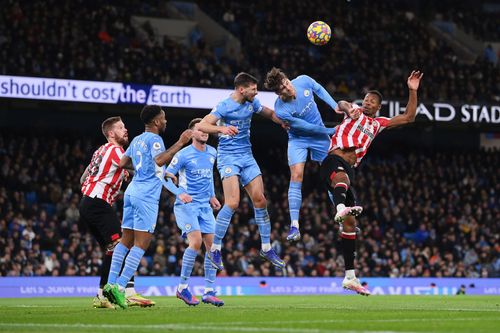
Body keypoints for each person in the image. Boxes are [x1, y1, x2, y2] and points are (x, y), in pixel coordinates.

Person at [320, 70, 424, 295]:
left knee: (349, 225)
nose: (367, 102)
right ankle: (340, 208)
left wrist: (412, 91)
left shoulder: (377, 124)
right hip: (333, 159)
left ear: (378, 108)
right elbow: (342, 103)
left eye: (372, 101)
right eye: (366, 99)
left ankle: (350, 277)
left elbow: (409, 117)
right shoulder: (353, 111)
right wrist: (349, 108)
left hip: (350, 167)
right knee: (342, 181)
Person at [103, 105, 192, 309]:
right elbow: (159, 160)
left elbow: (124, 162)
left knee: (125, 242)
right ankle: (121, 287)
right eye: (164, 118)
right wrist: (181, 141)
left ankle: (109, 284)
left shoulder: (136, 140)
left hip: (132, 192)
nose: (166, 121)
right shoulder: (155, 140)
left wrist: (147, 169)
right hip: (146, 197)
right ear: (156, 121)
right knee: (140, 245)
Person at [197, 72, 286, 271]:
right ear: (241, 89)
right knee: (233, 202)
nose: (256, 92)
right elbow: (203, 124)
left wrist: (282, 121)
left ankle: (266, 248)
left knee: (260, 199)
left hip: (247, 157)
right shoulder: (224, 106)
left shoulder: (252, 102)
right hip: (228, 157)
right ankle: (215, 249)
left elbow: (270, 113)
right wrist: (221, 129)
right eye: (253, 89)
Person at [79, 116, 155, 308]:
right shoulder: (115, 150)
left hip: (88, 203)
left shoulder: (100, 151)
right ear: (111, 134)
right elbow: (137, 167)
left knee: (113, 250)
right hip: (98, 204)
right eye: (121, 128)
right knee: (122, 245)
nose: (126, 130)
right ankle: (128, 292)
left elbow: (82, 179)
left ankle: (101, 296)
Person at [264, 67, 338, 242]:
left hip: (320, 137)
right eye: (282, 89)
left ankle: (342, 213)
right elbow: (306, 127)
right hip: (299, 139)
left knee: (332, 173)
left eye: (286, 83)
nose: (287, 88)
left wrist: (335, 105)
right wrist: (330, 130)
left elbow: (319, 89)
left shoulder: (304, 79)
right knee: (296, 176)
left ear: (288, 79)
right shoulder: (281, 109)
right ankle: (294, 225)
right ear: (277, 93)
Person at [165, 118, 224, 307]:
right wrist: (179, 192)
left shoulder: (212, 153)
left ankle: (208, 292)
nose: (205, 132)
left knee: (213, 247)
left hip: (204, 206)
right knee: (196, 241)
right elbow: (166, 177)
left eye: (206, 129)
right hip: (187, 206)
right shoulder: (183, 155)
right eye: (200, 129)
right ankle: (182, 288)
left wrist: (212, 196)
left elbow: (208, 178)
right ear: (192, 134)